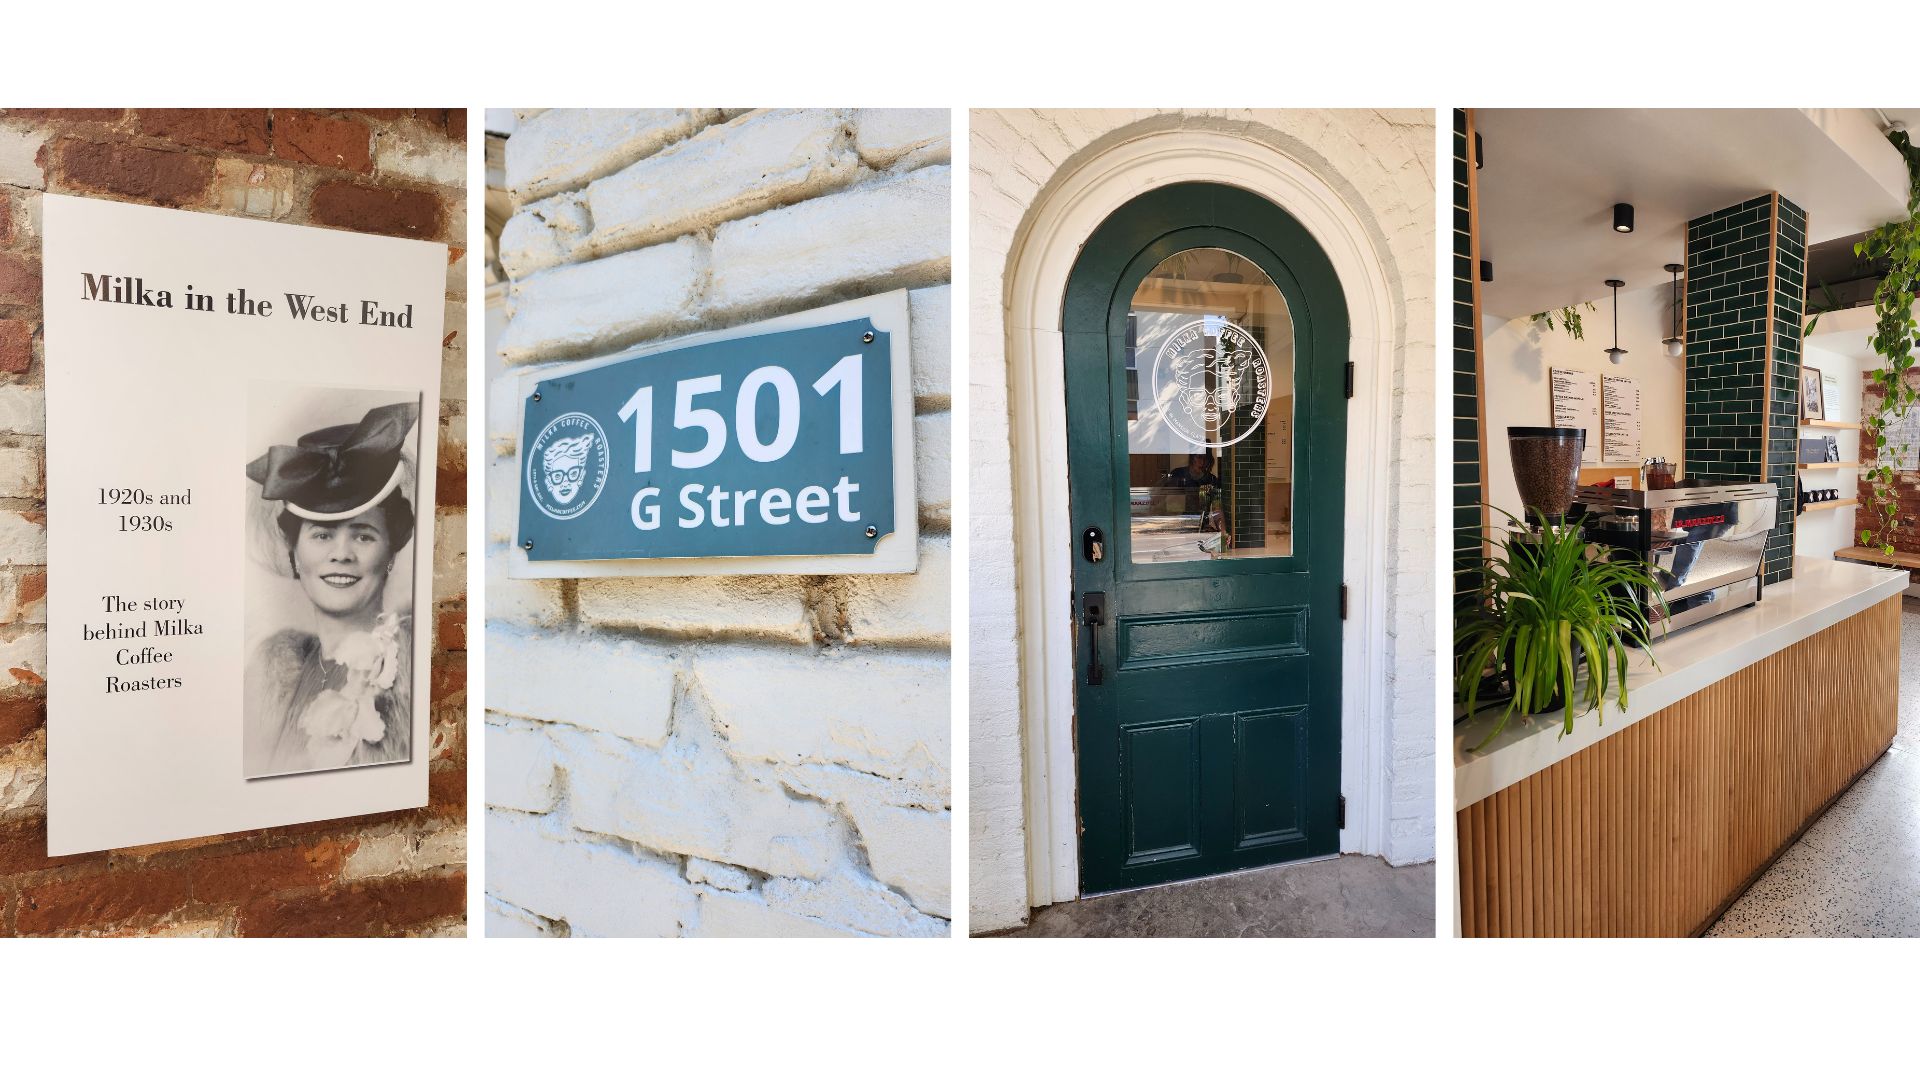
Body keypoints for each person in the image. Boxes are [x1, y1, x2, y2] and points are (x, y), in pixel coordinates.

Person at [243, 400, 417, 777]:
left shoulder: (408, 671)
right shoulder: (272, 673)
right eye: (322, 535)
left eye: (363, 535)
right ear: (294, 552)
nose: (341, 554)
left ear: (391, 551)